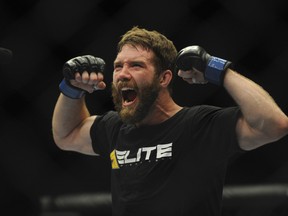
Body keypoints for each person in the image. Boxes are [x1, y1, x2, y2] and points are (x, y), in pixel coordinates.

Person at [52, 26, 288, 216]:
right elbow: (66, 135)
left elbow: (274, 125)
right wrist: (71, 89)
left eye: (136, 65)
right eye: (118, 66)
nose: (122, 74)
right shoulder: (114, 128)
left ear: (164, 78)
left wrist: (217, 69)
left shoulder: (198, 124)